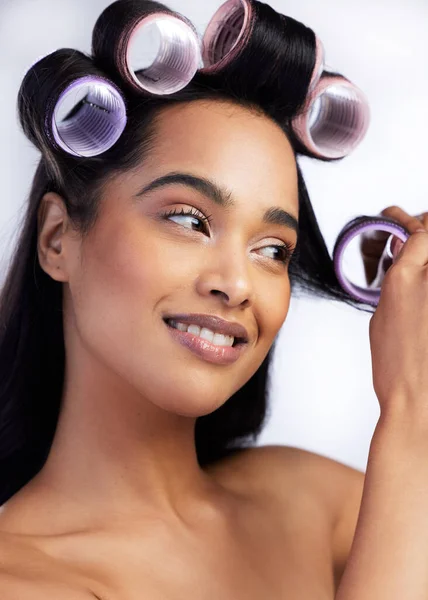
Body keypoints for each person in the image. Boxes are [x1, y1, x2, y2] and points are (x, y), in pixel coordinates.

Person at [1, 1, 428, 598]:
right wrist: (411, 411)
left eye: (273, 250)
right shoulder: (21, 579)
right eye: (188, 219)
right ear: (57, 238)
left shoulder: (319, 507)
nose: (238, 283)